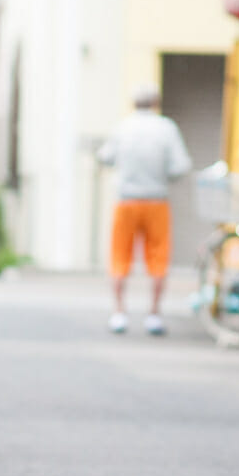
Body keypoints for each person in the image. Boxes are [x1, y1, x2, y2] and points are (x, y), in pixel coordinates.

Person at [96, 84, 192, 336]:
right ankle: (154, 314)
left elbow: (105, 157)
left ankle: (119, 312)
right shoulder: (166, 128)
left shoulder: (123, 127)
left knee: (119, 256)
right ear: (156, 102)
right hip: (156, 201)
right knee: (159, 258)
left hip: (126, 201)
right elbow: (180, 166)